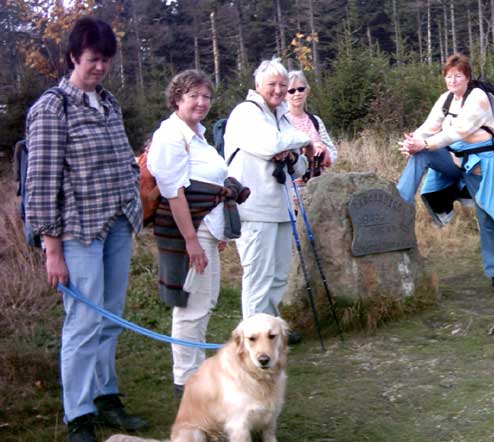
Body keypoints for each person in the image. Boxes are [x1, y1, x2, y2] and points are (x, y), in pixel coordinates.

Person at [24, 17, 146, 442]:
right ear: (74, 56)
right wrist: (51, 249)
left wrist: (132, 204)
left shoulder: (108, 103)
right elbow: (41, 183)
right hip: (77, 233)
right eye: (93, 59)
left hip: (116, 226)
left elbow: (121, 163)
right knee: (83, 322)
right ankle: (79, 416)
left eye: (105, 60)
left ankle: (105, 395)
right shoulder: (52, 107)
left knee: (109, 317)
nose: (99, 67)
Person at [147, 70, 248, 396]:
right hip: (187, 233)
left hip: (206, 229)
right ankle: (186, 380)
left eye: (206, 96)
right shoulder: (171, 136)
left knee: (205, 302)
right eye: (194, 96)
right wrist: (192, 242)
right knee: (190, 306)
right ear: (178, 98)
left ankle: (196, 373)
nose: (201, 102)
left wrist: (215, 231)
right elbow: (173, 192)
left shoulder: (197, 135)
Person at [396, 53, 494, 292]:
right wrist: (412, 142)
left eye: (458, 76)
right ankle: (398, 204)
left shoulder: (478, 97)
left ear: (467, 77)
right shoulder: (446, 99)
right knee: (419, 155)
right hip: (454, 160)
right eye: (448, 76)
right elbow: (430, 126)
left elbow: (459, 131)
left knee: (486, 215)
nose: (453, 81)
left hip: (480, 164)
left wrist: (424, 144)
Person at [224, 57, 310, 320]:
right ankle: (253, 337)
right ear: (258, 84)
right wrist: (303, 139)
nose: (279, 90)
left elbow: (302, 166)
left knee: (279, 276)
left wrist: (293, 155)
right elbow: (271, 145)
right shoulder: (246, 112)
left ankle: (270, 329)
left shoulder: (281, 117)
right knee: (259, 277)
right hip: (254, 209)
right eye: (272, 83)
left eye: (284, 84)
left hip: (281, 209)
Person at [285, 70, 337, 181]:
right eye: (291, 91)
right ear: (284, 94)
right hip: (292, 186)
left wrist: (323, 151)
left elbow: (333, 153)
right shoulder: (281, 121)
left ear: (307, 91)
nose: (297, 93)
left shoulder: (315, 120)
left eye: (300, 89)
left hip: (317, 186)